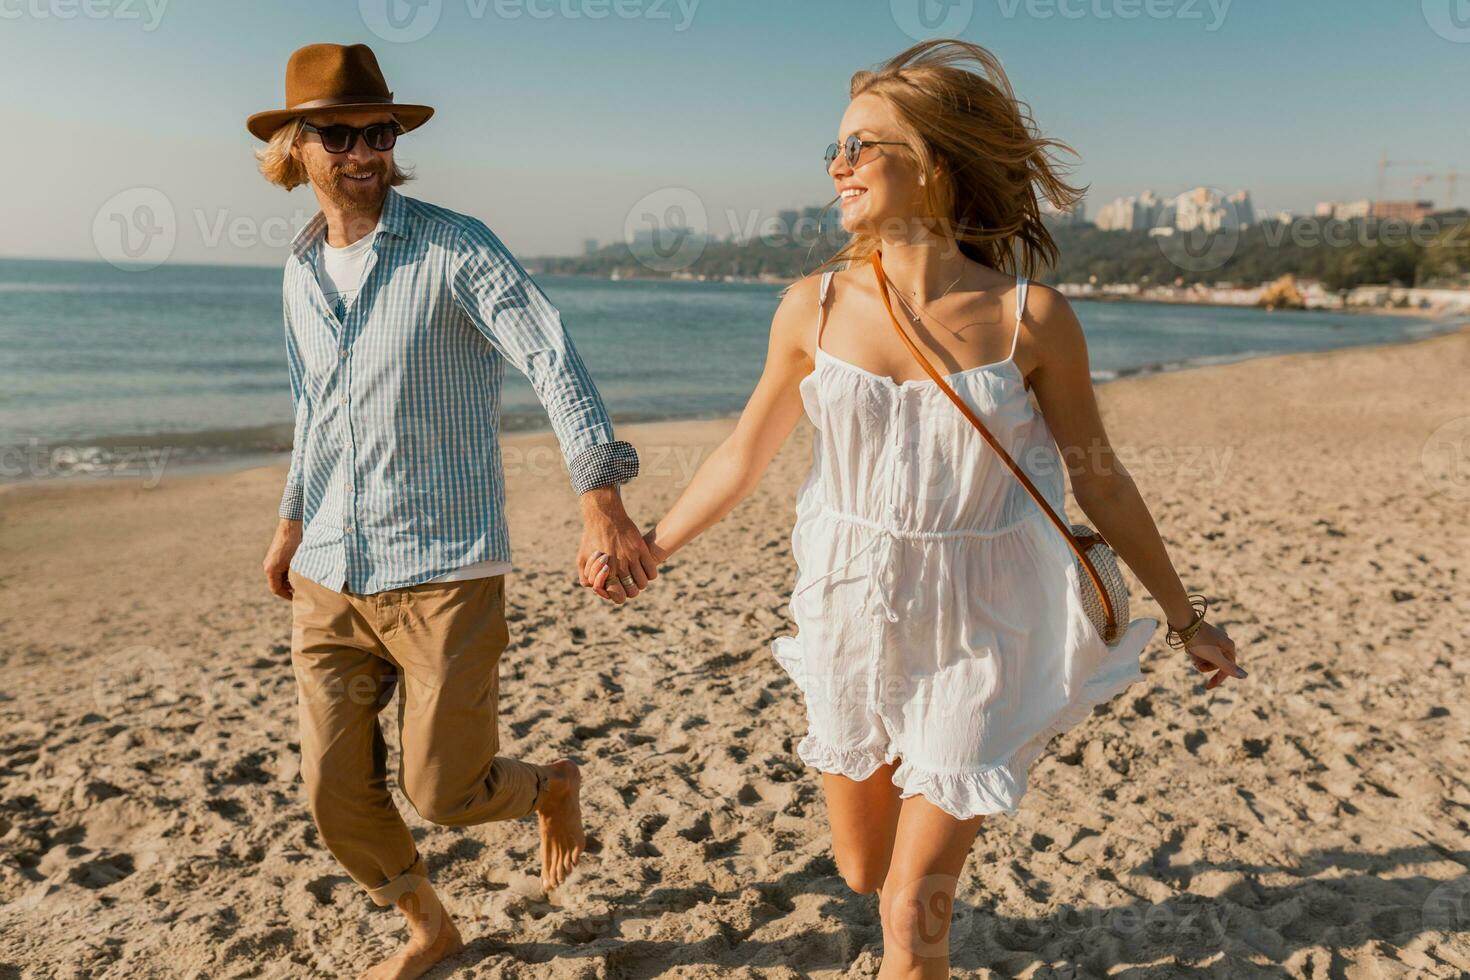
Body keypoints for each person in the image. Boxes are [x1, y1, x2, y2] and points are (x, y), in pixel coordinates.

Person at [586, 39, 1245, 978]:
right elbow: (741, 455)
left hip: (985, 620)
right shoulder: (810, 308)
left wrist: (1187, 619)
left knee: (909, 912)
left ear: (933, 162)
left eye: (862, 148)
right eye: (835, 150)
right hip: (850, 607)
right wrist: (654, 545)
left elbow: (1100, 480)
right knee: (863, 868)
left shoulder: (1033, 320)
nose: (837, 168)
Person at [250, 43, 657, 980]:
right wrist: (286, 524)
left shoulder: (454, 247)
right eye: (339, 134)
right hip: (328, 572)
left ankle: (550, 784)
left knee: (444, 790)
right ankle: (429, 924)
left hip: (444, 569)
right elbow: (315, 411)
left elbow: (551, 357)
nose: (363, 151)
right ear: (294, 148)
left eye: (378, 131)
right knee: (332, 793)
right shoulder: (299, 272)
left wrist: (602, 502)